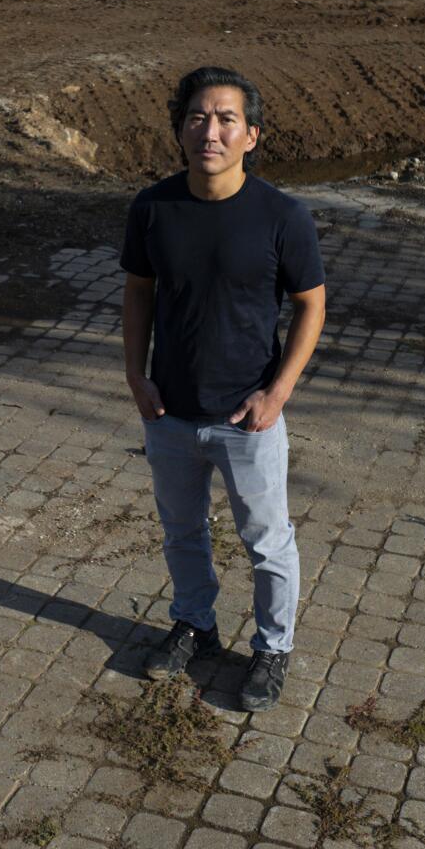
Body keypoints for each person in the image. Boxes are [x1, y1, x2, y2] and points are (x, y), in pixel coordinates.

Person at [120, 65, 327, 711]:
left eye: (226, 119)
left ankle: (272, 648)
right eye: (197, 117)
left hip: (248, 417)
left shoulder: (282, 216)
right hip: (170, 413)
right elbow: (137, 292)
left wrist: (277, 394)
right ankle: (195, 626)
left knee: (266, 541)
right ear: (181, 130)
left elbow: (311, 306)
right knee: (182, 531)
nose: (210, 130)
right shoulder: (152, 208)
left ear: (251, 136)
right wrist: (135, 374)